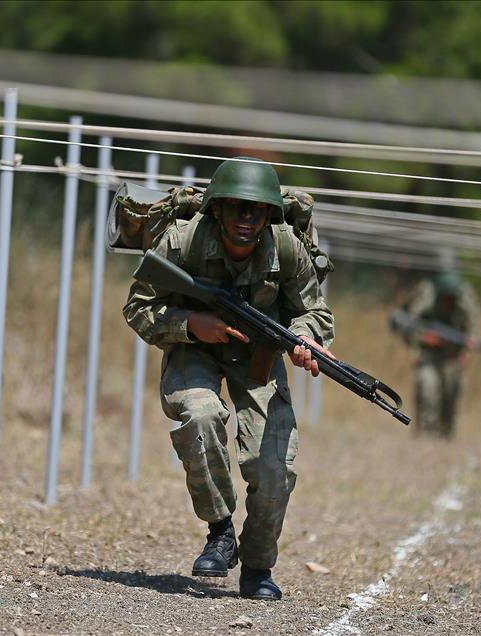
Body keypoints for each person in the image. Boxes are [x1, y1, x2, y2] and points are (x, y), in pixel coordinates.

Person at [123, 157, 334, 601]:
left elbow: (314, 312)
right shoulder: (182, 241)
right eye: (235, 207)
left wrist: (303, 338)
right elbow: (138, 307)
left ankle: (257, 567)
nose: (245, 218)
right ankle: (220, 532)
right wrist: (189, 324)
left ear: (269, 216)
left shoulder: (288, 249)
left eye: (255, 210)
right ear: (216, 210)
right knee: (200, 416)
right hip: (194, 348)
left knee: (274, 465)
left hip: (259, 354)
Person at [394, 271, 481, 438]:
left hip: (452, 353)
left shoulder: (464, 299)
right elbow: (409, 323)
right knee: (428, 388)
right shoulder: (427, 296)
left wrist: (467, 351)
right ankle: (427, 434)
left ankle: (446, 434)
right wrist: (421, 341)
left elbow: (472, 325)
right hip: (428, 353)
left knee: (451, 389)